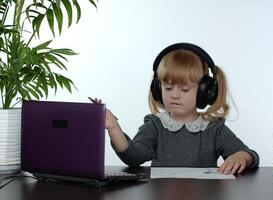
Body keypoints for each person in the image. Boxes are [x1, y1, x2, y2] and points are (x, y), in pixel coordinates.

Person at [95, 43, 259, 175]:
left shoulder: (213, 128)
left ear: (205, 92)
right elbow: (133, 156)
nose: (174, 95)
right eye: (168, 88)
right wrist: (114, 128)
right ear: (158, 89)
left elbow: (249, 154)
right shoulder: (155, 125)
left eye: (184, 89)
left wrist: (242, 157)